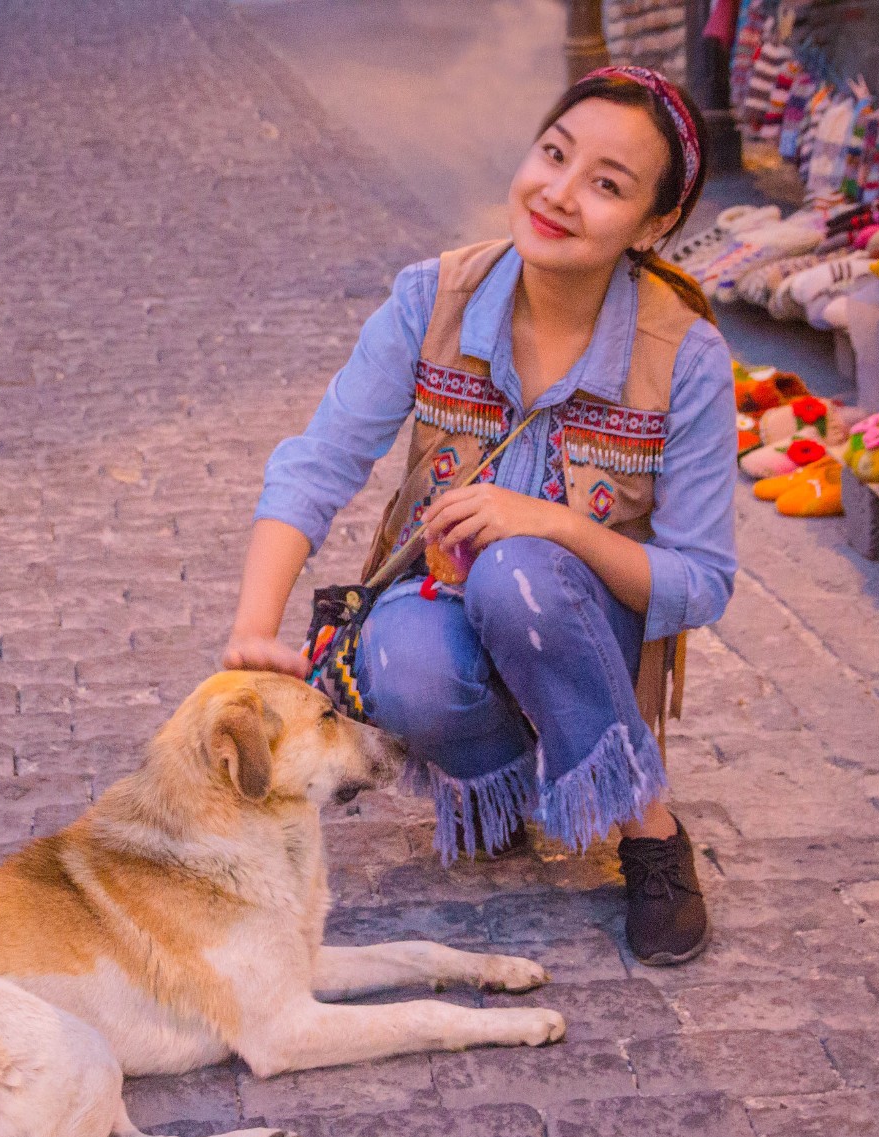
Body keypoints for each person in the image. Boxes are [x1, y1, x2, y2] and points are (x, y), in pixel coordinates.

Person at [223, 67, 737, 965]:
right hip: (446, 605)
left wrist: (557, 525)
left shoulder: (684, 357)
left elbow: (702, 581)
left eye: (607, 184)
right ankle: (504, 793)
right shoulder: (434, 299)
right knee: (398, 657)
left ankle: (650, 833)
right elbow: (319, 461)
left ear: (655, 226)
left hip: (584, 627)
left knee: (519, 575)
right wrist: (254, 626)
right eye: (554, 154)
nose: (560, 194)